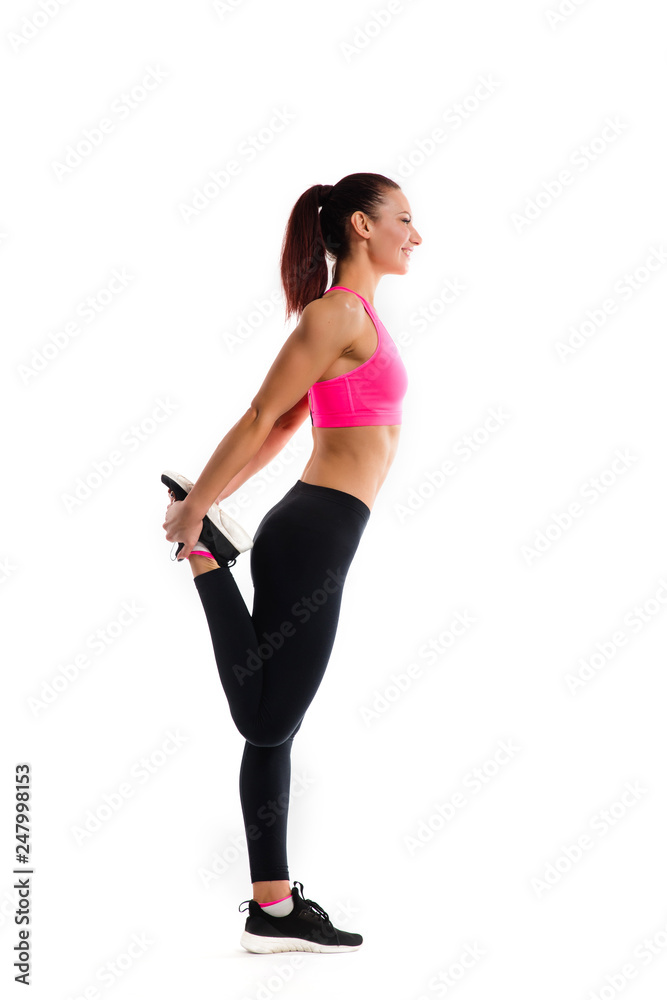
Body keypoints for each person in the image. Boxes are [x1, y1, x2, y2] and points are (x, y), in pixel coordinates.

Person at [161, 171, 422, 954]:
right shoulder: (336, 314)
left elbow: (281, 435)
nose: (417, 234)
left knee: (273, 732)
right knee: (266, 716)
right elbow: (258, 415)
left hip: (321, 530)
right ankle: (207, 559)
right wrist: (196, 511)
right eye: (404, 219)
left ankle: (270, 909)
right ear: (360, 225)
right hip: (313, 532)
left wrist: (209, 496)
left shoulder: (359, 319)